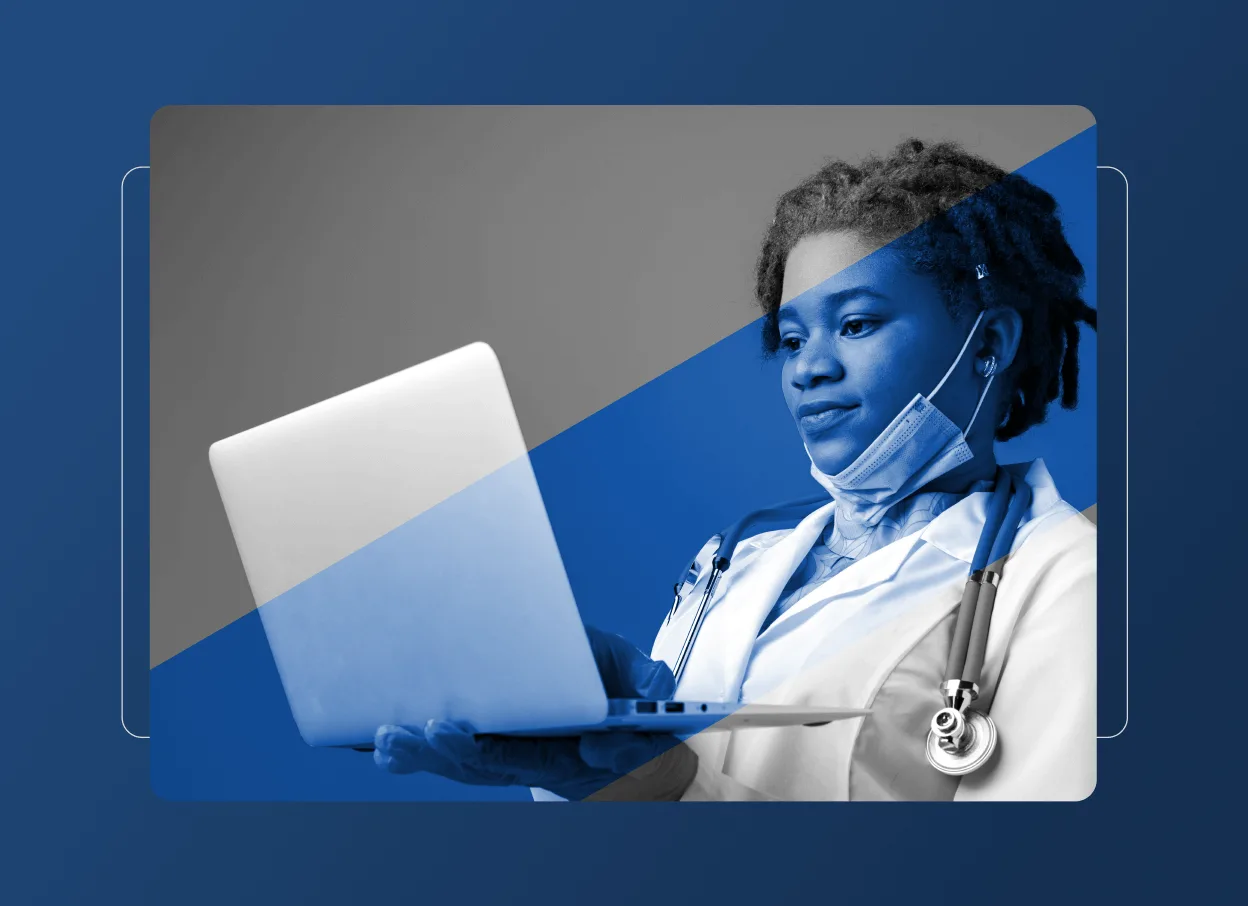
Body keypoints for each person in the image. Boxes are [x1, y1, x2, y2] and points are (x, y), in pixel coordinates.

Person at [374, 138, 1099, 801]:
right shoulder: (734, 561)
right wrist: (591, 770)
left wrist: (671, 786)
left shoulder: (1069, 579)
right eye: (790, 338)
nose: (810, 368)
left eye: (856, 324)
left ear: (990, 342)